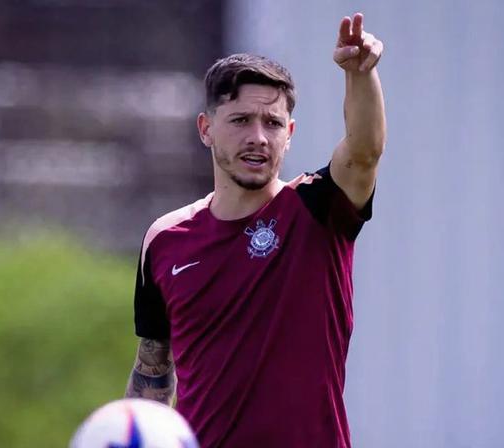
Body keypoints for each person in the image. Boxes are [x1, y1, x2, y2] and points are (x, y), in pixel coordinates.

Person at [124, 12, 385, 448]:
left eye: (273, 123)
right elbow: (153, 371)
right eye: (241, 120)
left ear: (290, 134)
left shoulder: (316, 210)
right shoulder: (165, 240)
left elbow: (364, 152)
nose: (259, 137)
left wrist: (361, 76)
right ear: (206, 129)